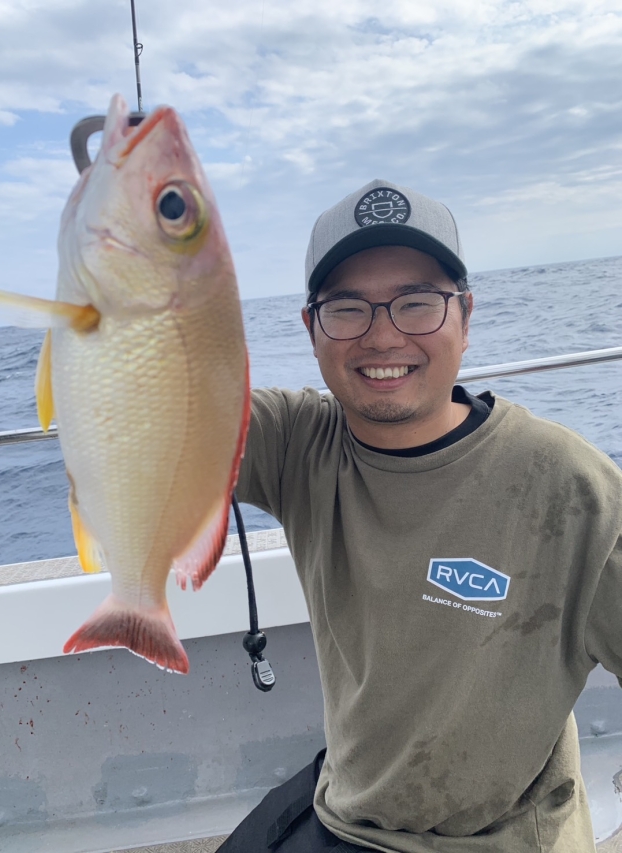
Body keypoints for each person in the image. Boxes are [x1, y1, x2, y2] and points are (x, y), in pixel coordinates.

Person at [219, 179, 622, 852]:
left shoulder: (571, 486)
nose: (383, 336)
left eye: (417, 303)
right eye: (347, 308)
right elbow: (157, 406)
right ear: (311, 329)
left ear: (465, 316)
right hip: (346, 813)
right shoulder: (296, 442)